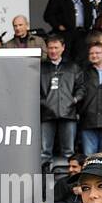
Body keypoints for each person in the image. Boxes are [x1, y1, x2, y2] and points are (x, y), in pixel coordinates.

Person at [40, 36, 81, 170]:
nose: (53, 51)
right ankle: (44, 182)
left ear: (63, 48)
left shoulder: (72, 67)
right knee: (45, 152)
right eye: (50, 48)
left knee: (68, 151)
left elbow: (81, 88)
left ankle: (67, 181)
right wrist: (43, 102)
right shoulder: (41, 67)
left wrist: (74, 100)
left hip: (68, 112)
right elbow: (34, 89)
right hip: (46, 113)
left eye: (56, 47)